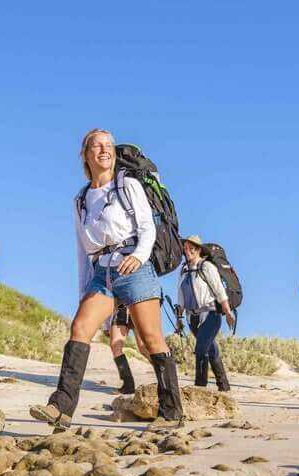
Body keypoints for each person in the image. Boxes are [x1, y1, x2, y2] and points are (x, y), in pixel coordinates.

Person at [29, 129, 184, 429]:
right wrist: (83, 293)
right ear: (85, 154)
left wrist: (138, 256)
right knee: (80, 326)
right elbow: (81, 250)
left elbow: (146, 227)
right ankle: (61, 406)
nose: (105, 150)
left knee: (151, 340)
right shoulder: (81, 199)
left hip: (133, 266)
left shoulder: (127, 185)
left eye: (109, 145)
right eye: (97, 145)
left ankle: (171, 412)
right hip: (101, 272)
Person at [177, 235, 235, 391]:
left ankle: (199, 388)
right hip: (192, 318)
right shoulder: (183, 270)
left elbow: (219, 290)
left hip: (211, 315)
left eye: (191, 248)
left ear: (198, 250)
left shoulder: (207, 267)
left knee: (201, 349)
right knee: (210, 349)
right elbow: (180, 295)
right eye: (186, 248)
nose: (187, 251)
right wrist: (179, 317)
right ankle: (224, 386)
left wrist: (228, 312)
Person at [105, 301, 149, 394]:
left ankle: (166, 378)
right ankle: (128, 385)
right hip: (120, 307)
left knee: (144, 348)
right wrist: (106, 324)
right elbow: (107, 296)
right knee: (115, 346)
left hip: (138, 304)